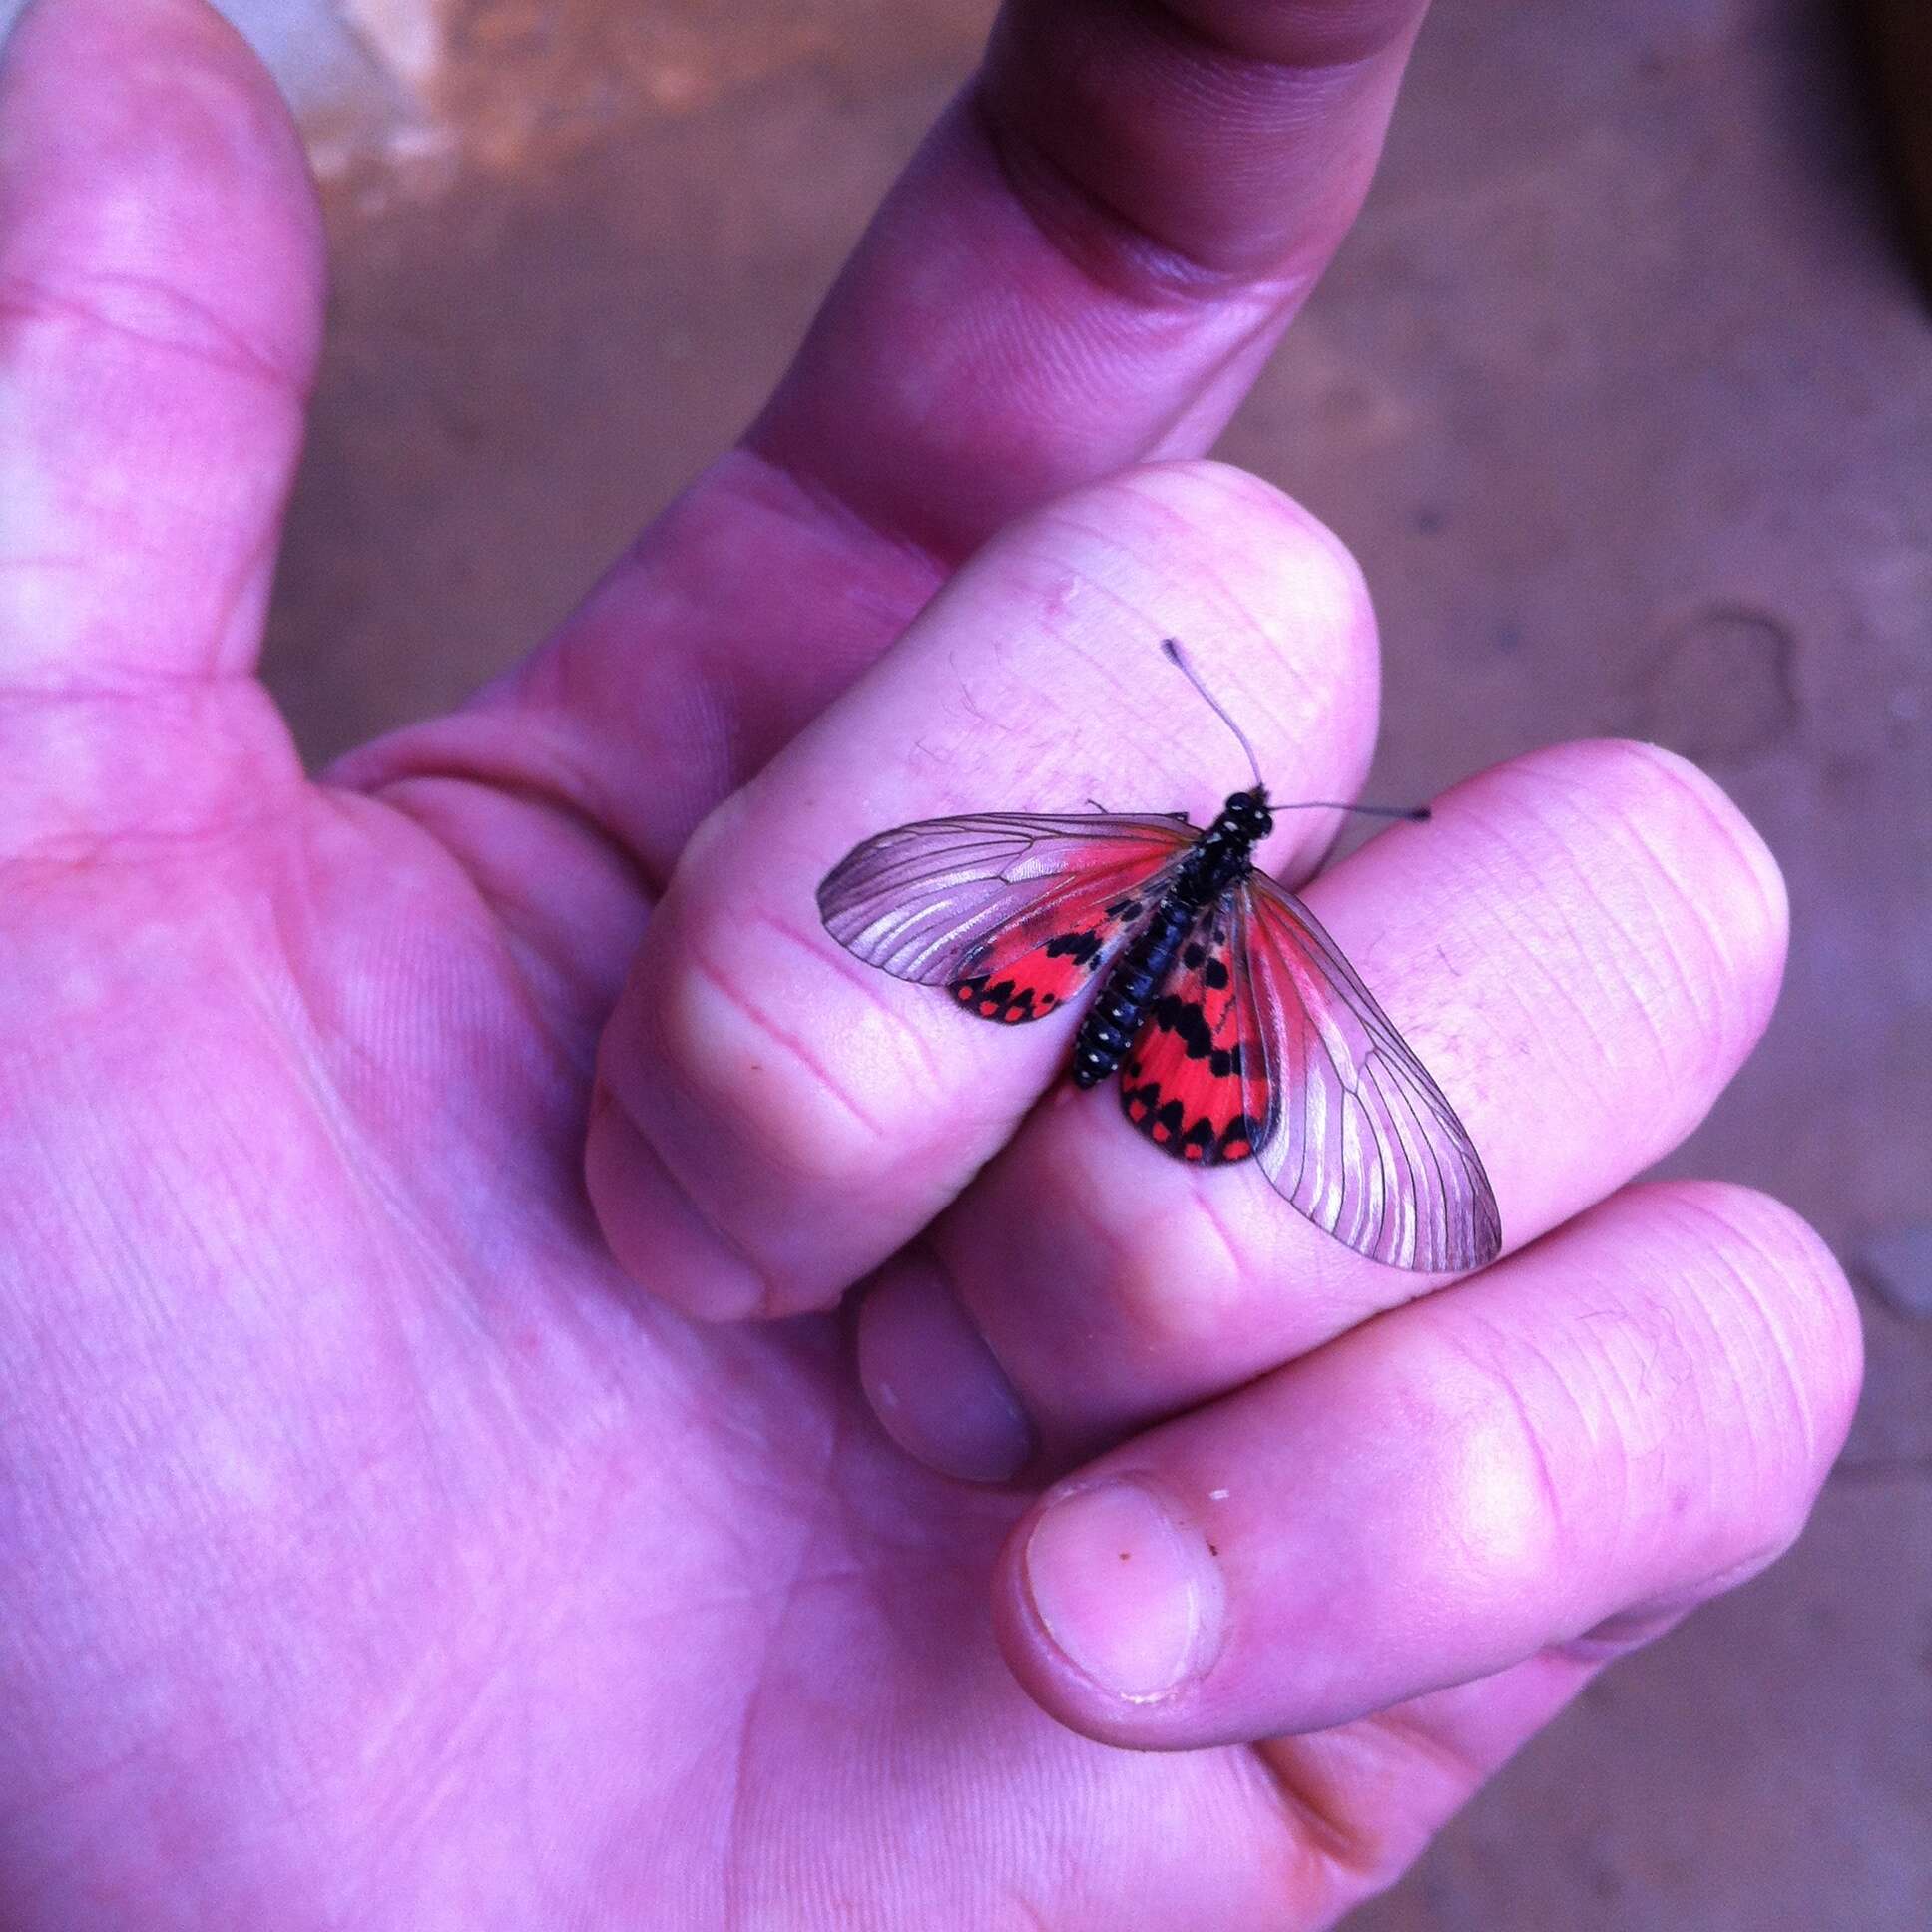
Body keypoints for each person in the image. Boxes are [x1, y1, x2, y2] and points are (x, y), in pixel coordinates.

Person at [0, 0, 1860, 1923]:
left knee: (1167, 1123)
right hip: (1139, 1021)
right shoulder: (1198, 901)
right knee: (1163, 1094)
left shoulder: (1112, 871)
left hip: (1085, 1039)